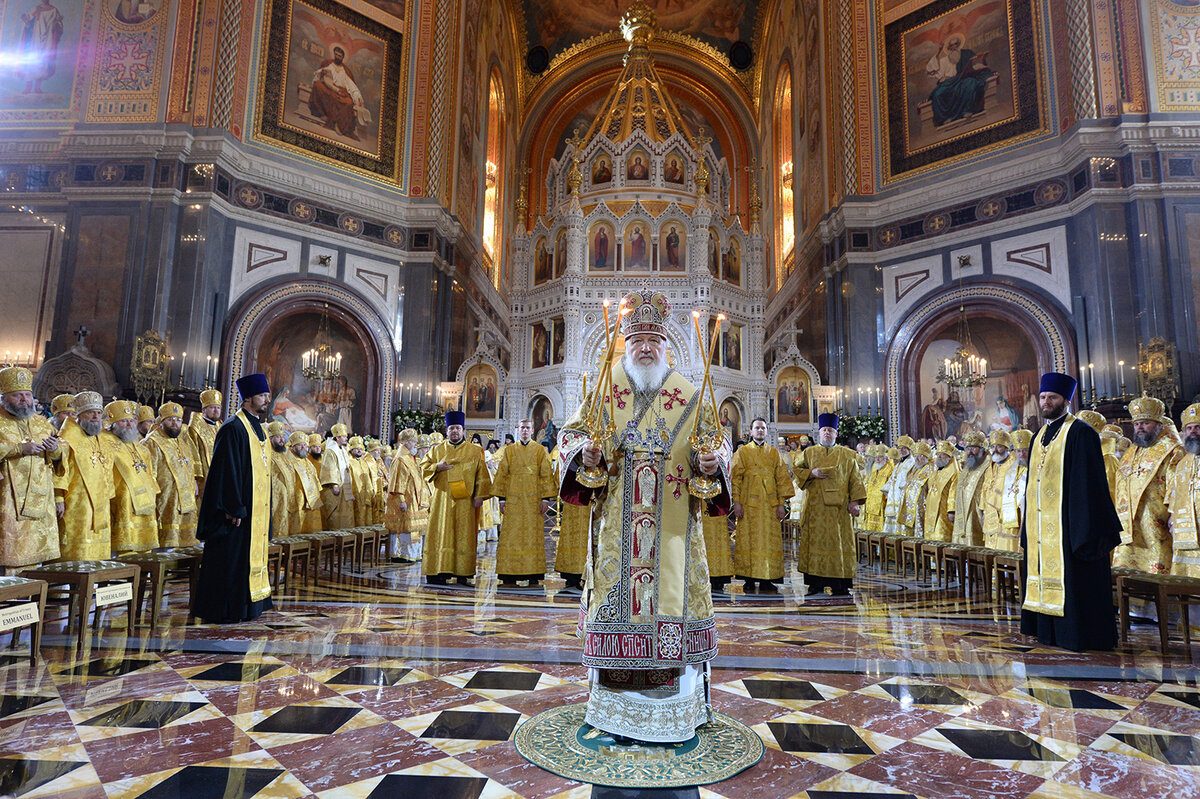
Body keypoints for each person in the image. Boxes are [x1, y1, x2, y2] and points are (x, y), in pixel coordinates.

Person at [558, 290, 730, 744]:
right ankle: (615, 716)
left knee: (670, 606)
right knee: (618, 609)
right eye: (638, 341)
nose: (646, 347)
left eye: (654, 339)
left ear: (665, 346)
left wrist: (714, 462)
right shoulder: (602, 388)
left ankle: (677, 713)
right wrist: (585, 452)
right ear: (626, 347)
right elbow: (569, 436)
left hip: (673, 533)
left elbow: (717, 444)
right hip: (618, 528)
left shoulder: (690, 395)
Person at [1020, 372, 1121, 652]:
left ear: (1066, 399)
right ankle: (1048, 632)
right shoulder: (1038, 436)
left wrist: (1082, 530)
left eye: (1051, 397)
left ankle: (1077, 635)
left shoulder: (1080, 432)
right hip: (1041, 526)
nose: (1046, 402)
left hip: (1071, 527)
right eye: (1042, 397)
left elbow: (1089, 487)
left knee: (1076, 584)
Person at [192, 374, 275, 623]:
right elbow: (226, 470)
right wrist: (232, 506)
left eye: (268, 395)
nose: (267, 400)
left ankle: (250, 606)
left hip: (255, 510)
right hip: (236, 512)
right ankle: (226, 609)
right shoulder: (233, 427)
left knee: (246, 559)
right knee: (229, 561)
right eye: (262, 396)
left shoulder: (259, 429)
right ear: (248, 397)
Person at [793, 414, 865, 596]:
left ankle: (840, 585)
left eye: (830, 431)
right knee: (815, 544)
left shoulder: (848, 455)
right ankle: (815, 584)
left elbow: (856, 480)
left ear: (836, 433)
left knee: (839, 545)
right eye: (824, 430)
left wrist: (855, 502)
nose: (827, 433)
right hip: (815, 509)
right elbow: (797, 470)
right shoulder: (808, 453)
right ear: (819, 433)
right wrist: (811, 473)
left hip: (839, 511)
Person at [0, 366, 62, 572]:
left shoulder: (42, 423)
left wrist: (55, 450)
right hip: (7, 497)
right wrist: (18, 449)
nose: (24, 400)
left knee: (36, 553)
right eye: (17, 395)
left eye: (27, 395)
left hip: (41, 497)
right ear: (4, 397)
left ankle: (33, 595)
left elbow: (61, 453)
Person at [1113, 395, 1183, 574]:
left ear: (1159, 425)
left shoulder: (1172, 450)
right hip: (1128, 524)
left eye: (1145, 423)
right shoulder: (1132, 452)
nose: (1140, 428)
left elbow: (1177, 486)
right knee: (1125, 573)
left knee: (1157, 575)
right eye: (1137, 424)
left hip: (1156, 520)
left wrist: (1174, 515)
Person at [420, 411, 491, 585]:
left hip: (465, 502)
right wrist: (438, 466)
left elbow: (482, 475)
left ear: (463, 430)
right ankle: (438, 571)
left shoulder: (475, 451)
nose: (454, 431)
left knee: (463, 535)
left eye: (458, 428)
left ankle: (463, 573)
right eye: (451, 428)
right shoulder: (436, 450)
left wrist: (480, 496)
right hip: (442, 500)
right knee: (440, 533)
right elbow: (423, 468)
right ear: (447, 430)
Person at [730, 417, 795, 593]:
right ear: (750, 431)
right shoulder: (742, 452)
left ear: (766, 432)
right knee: (748, 541)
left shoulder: (774, 453)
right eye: (757, 428)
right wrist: (736, 502)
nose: (760, 431)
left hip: (770, 506)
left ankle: (768, 578)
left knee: (769, 542)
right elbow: (735, 479)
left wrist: (782, 504)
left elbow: (782, 479)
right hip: (748, 504)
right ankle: (749, 578)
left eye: (763, 428)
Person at [490, 418, 557, 587]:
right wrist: (502, 499)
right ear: (518, 429)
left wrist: (545, 499)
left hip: (533, 501)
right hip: (513, 500)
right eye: (522, 428)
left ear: (532, 430)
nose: (525, 430)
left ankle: (533, 574)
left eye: (528, 428)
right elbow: (502, 474)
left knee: (532, 536)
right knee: (511, 535)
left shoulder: (541, 451)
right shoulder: (509, 450)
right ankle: (508, 575)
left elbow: (546, 475)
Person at [57, 391, 116, 560]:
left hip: (101, 502)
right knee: (75, 549)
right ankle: (69, 584)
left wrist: (109, 495)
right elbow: (59, 469)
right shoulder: (67, 438)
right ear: (78, 415)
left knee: (97, 547)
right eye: (90, 412)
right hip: (75, 502)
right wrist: (58, 498)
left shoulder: (100, 439)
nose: (96, 417)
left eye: (98, 413)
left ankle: (93, 584)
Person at [102, 400, 159, 553]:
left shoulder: (140, 446)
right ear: (112, 424)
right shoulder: (105, 443)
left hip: (145, 498)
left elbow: (150, 471)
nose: (128, 424)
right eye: (123, 421)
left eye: (130, 420)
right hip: (120, 498)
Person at [145, 402, 199, 547]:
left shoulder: (182, 443)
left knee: (184, 543)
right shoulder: (152, 442)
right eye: (170, 420)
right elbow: (149, 473)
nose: (175, 423)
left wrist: (193, 482)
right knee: (165, 542)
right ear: (161, 422)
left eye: (178, 420)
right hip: (165, 497)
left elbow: (189, 467)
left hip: (185, 497)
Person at [385, 428, 429, 562]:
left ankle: (412, 554)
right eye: (414, 441)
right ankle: (401, 554)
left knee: (412, 528)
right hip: (405, 501)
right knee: (404, 527)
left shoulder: (410, 458)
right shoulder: (400, 459)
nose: (416, 443)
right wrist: (401, 499)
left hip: (414, 500)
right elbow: (397, 482)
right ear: (406, 442)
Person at [1167, 404, 1200, 577]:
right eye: (1189, 428)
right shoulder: (1182, 463)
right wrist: (1172, 516)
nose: (1193, 431)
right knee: (1187, 584)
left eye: (1197, 427)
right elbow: (1176, 493)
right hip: (1184, 531)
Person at [309, 45, 368, 140]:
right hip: (329, 87)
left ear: (342, 58)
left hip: (341, 91)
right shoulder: (329, 64)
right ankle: (322, 114)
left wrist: (359, 98)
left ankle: (339, 124)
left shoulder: (346, 71)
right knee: (318, 86)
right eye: (336, 55)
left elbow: (352, 87)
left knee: (348, 102)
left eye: (339, 56)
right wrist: (322, 73)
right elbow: (319, 74)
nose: (337, 57)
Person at [993, 429, 1031, 552]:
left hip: (1027, 515)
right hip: (1011, 515)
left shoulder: (1035, 468)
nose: (1021, 454)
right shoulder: (1011, 470)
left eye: (1024, 450)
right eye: (1018, 451)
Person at [949, 430, 988, 545]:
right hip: (962, 507)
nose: (970, 451)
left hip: (977, 511)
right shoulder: (969, 465)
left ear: (982, 449)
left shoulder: (988, 464)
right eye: (968, 448)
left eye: (974, 448)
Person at [980, 430, 1015, 549]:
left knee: (1003, 546)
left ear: (1006, 448)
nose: (995, 450)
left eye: (999, 446)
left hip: (1004, 515)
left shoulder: (1013, 465)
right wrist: (984, 510)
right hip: (990, 514)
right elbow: (985, 488)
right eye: (993, 446)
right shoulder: (991, 466)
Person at [285, 431, 323, 534]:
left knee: (312, 531)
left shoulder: (307, 461)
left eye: (305, 445)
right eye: (300, 445)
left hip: (312, 501)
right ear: (293, 446)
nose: (303, 447)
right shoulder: (288, 460)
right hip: (298, 501)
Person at [188, 389, 223, 496]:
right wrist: (194, 479)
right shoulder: (194, 428)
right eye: (212, 407)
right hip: (202, 478)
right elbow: (191, 453)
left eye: (218, 408)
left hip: (219, 476)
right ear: (204, 410)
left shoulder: (220, 427)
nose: (216, 411)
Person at [319, 423, 354, 528]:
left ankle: (346, 534)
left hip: (344, 486)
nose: (346, 438)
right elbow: (330, 467)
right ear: (337, 437)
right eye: (344, 436)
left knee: (345, 512)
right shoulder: (331, 450)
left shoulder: (342, 449)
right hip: (336, 486)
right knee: (336, 514)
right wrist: (334, 484)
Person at [880, 435, 916, 533]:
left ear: (909, 449)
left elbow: (913, 480)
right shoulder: (899, 464)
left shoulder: (913, 462)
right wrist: (887, 489)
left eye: (904, 448)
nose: (901, 450)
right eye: (899, 448)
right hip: (893, 497)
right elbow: (892, 479)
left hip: (903, 498)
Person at [924, 440, 959, 542]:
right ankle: (932, 557)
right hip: (932, 507)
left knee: (941, 535)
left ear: (949, 457)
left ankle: (943, 557)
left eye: (942, 455)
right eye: (938, 454)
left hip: (943, 511)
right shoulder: (937, 470)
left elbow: (954, 492)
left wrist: (952, 511)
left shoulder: (954, 472)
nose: (939, 457)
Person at [900, 442, 935, 536]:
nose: (917, 459)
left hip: (921, 508)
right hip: (909, 507)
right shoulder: (914, 469)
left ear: (926, 457)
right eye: (915, 456)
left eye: (920, 456)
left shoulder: (931, 469)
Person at [267, 421, 294, 538]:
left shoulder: (283, 454)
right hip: (273, 495)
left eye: (282, 436)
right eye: (278, 437)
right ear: (271, 438)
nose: (282, 440)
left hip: (285, 495)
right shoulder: (268, 453)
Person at [860, 444, 893, 532]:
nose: (877, 459)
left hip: (881, 507)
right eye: (876, 457)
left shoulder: (890, 469)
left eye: (880, 457)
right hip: (870, 507)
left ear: (885, 457)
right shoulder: (875, 469)